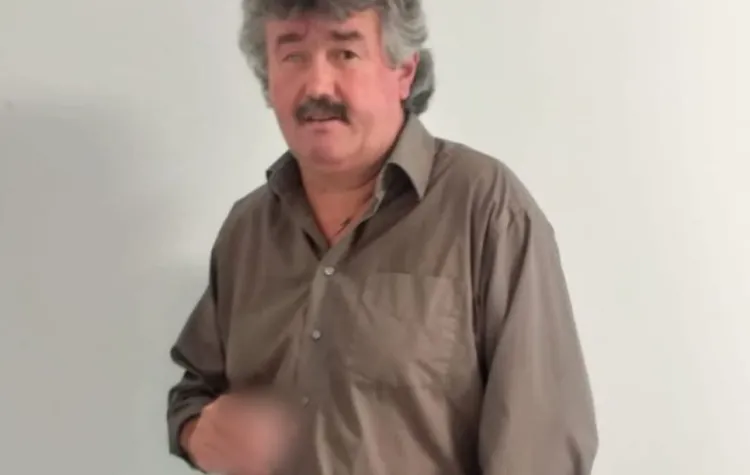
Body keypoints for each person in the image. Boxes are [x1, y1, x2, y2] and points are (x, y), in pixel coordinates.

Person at [166, 0, 599, 474]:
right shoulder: (247, 230)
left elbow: (540, 447)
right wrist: (197, 432)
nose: (317, 85)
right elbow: (195, 392)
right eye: (292, 55)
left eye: (345, 53)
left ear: (404, 71)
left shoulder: (486, 209)